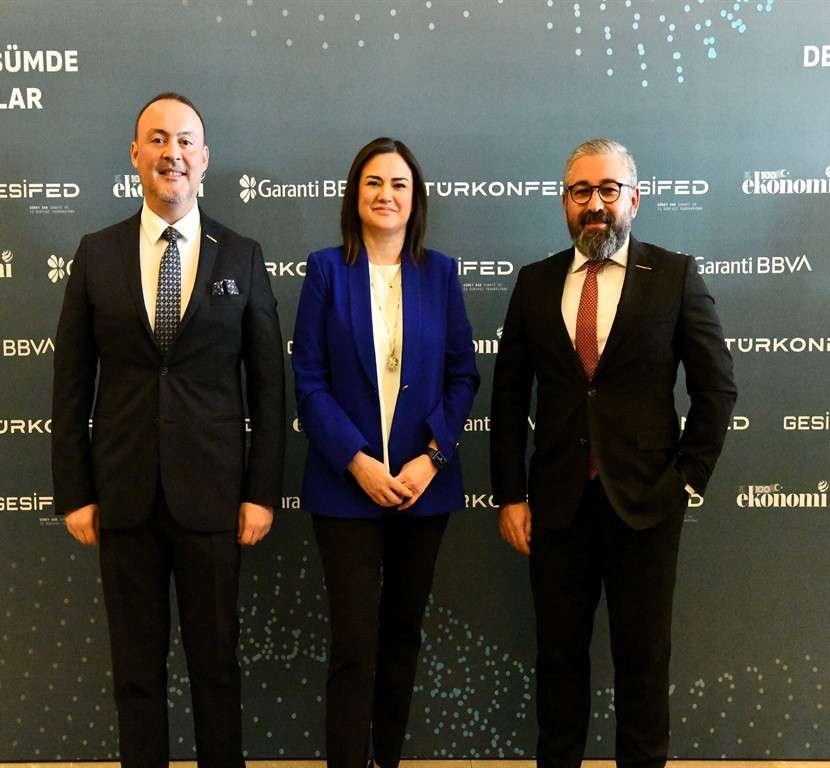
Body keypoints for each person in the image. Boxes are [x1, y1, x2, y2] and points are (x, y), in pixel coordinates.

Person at [51, 92, 285, 768]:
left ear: (204, 159)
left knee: (217, 669)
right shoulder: (96, 253)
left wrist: (261, 493)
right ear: (135, 154)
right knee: (135, 674)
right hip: (122, 498)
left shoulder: (241, 256)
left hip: (214, 500)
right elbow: (70, 384)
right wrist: (75, 492)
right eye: (157, 139)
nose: (171, 153)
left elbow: (269, 388)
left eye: (184, 141)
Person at [491, 138, 737, 768]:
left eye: (608, 190)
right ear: (565, 202)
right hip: (556, 508)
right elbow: (509, 397)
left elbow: (716, 388)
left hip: (648, 505)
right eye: (582, 192)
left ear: (634, 199)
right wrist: (511, 495)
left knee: (644, 663)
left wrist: (686, 481)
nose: (595, 204)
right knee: (558, 662)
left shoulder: (675, 276)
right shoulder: (535, 282)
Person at [292, 137, 480, 768]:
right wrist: (358, 461)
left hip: (423, 489)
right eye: (373, 182)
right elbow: (309, 381)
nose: (386, 194)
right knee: (353, 643)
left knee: (402, 635)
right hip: (345, 487)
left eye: (399, 184)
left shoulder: (440, 273)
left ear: (415, 198)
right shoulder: (326, 270)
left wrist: (432, 458)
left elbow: (462, 377)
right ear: (355, 195)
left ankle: (386, 760)